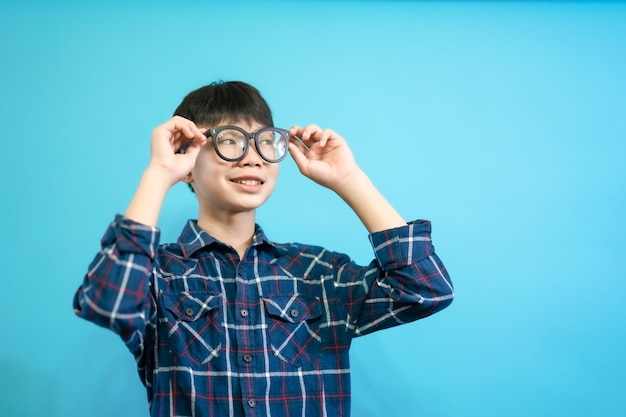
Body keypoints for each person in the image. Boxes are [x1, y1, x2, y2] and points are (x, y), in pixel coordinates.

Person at [73, 80, 454, 417]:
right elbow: (110, 301)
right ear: (186, 162)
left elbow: (423, 289)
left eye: (265, 141)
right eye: (229, 141)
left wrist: (349, 179)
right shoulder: (157, 272)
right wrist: (158, 173)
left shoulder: (317, 272)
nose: (252, 155)